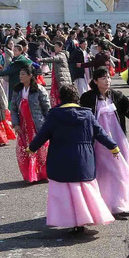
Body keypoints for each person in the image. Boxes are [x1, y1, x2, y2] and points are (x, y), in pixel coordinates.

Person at [29, 84, 120, 235]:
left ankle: (70, 221)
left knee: (65, 191)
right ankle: (85, 219)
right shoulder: (88, 115)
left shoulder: (54, 115)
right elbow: (100, 133)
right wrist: (113, 147)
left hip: (61, 157)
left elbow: (42, 135)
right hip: (83, 157)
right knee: (84, 189)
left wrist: (31, 148)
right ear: (76, 98)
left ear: (61, 98)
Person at [79, 69, 129, 219]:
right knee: (103, 173)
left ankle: (118, 205)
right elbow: (82, 119)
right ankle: (102, 204)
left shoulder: (117, 96)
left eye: (108, 77)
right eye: (103, 78)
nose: (107, 80)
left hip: (118, 138)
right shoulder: (88, 98)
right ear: (95, 81)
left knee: (120, 171)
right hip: (99, 141)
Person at [9, 65, 51, 184]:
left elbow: (46, 109)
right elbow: (13, 108)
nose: (20, 76)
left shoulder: (39, 89)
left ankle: (45, 173)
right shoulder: (18, 90)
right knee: (24, 150)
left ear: (30, 76)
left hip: (37, 124)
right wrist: (16, 124)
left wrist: (49, 126)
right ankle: (31, 174)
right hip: (23, 125)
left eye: (23, 74)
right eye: (20, 74)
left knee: (42, 150)